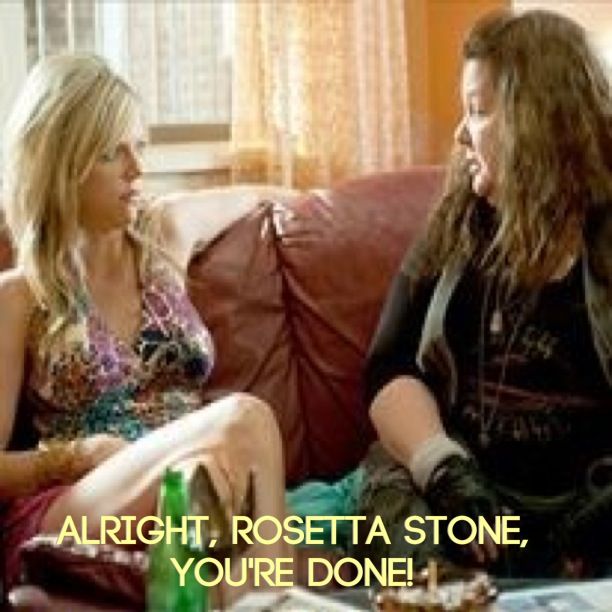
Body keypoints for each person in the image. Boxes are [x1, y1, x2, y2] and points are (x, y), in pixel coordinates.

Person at [0, 53, 295, 600]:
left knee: (208, 485)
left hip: (186, 481)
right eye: (113, 152)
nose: (138, 169)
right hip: (81, 500)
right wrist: (77, 455)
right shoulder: (19, 295)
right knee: (245, 419)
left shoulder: (166, 237)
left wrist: (309, 200)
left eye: (141, 146)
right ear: (60, 164)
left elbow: (269, 196)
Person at [355, 8, 612, 579]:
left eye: (476, 110)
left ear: (534, 120)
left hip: (586, 501)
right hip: (467, 489)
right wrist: (442, 467)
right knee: (395, 502)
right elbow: (388, 367)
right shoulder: (456, 223)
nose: (458, 133)